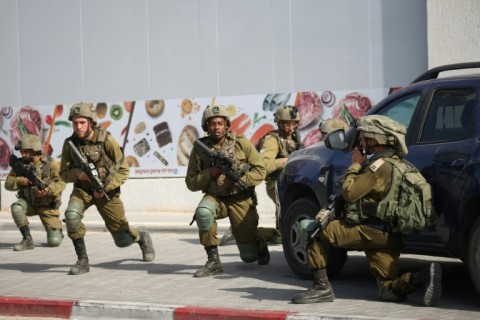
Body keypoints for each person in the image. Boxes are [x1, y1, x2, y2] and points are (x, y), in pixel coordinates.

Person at [291, 115, 442, 306]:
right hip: (389, 236)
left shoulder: (379, 166)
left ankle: (321, 288)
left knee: (313, 231)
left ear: (374, 140)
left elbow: (349, 192)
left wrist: (355, 163)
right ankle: (421, 277)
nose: (360, 142)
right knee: (388, 290)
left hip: (369, 231)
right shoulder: (400, 164)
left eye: (363, 138)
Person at [60, 102, 155, 275]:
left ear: (91, 122)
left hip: (106, 192)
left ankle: (142, 238)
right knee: (71, 216)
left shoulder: (106, 140)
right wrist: (78, 174)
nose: (78, 126)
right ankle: (82, 261)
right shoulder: (69, 144)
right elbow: (63, 174)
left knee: (122, 239)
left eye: (82, 122)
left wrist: (104, 187)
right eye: (75, 123)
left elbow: (123, 170)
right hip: (82, 190)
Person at [185, 104, 269, 277]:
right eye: (212, 124)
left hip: (241, 199)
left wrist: (238, 182)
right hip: (216, 197)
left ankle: (259, 243)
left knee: (248, 256)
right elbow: (191, 182)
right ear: (206, 126)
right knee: (203, 213)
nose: (216, 127)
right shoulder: (201, 148)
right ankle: (213, 262)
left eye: (220, 123)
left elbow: (260, 170)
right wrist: (210, 173)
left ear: (226, 124)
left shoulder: (241, 143)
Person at [5, 134, 65, 251]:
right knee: (16, 208)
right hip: (29, 204)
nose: (23, 154)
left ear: (35, 150)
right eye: (22, 151)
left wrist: (48, 190)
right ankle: (27, 239)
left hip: (47, 206)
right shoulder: (20, 165)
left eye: (26, 151)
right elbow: (8, 183)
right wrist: (19, 180)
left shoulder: (51, 164)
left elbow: (62, 182)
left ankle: (57, 230)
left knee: (54, 242)